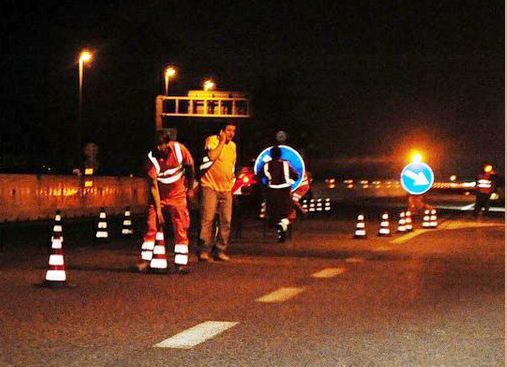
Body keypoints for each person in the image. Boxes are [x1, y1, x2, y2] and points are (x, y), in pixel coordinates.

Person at [137, 130, 195, 273]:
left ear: (168, 144)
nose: (158, 148)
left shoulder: (179, 150)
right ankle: (145, 260)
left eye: (161, 145)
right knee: (151, 225)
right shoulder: (151, 159)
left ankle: (181, 263)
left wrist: (190, 188)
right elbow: (154, 187)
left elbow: (191, 167)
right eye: (156, 145)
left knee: (181, 227)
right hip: (160, 196)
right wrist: (158, 211)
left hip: (178, 195)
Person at [197, 122, 237, 262]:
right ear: (221, 130)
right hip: (210, 186)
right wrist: (221, 141)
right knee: (207, 219)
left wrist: (232, 181)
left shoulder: (233, 146)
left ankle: (220, 249)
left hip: (226, 188)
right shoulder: (212, 140)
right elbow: (212, 156)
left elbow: (231, 165)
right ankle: (204, 250)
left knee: (226, 220)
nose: (231, 133)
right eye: (228, 130)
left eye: (233, 131)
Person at [263, 145, 299, 242]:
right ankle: (283, 228)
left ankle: (280, 230)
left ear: (270, 154)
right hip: (284, 193)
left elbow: (259, 177)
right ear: (280, 154)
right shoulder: (286, 164)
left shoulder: (266, 165)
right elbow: (296, 175)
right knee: (285, 213)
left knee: (274, 214)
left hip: (272, 192)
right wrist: (290, 181)